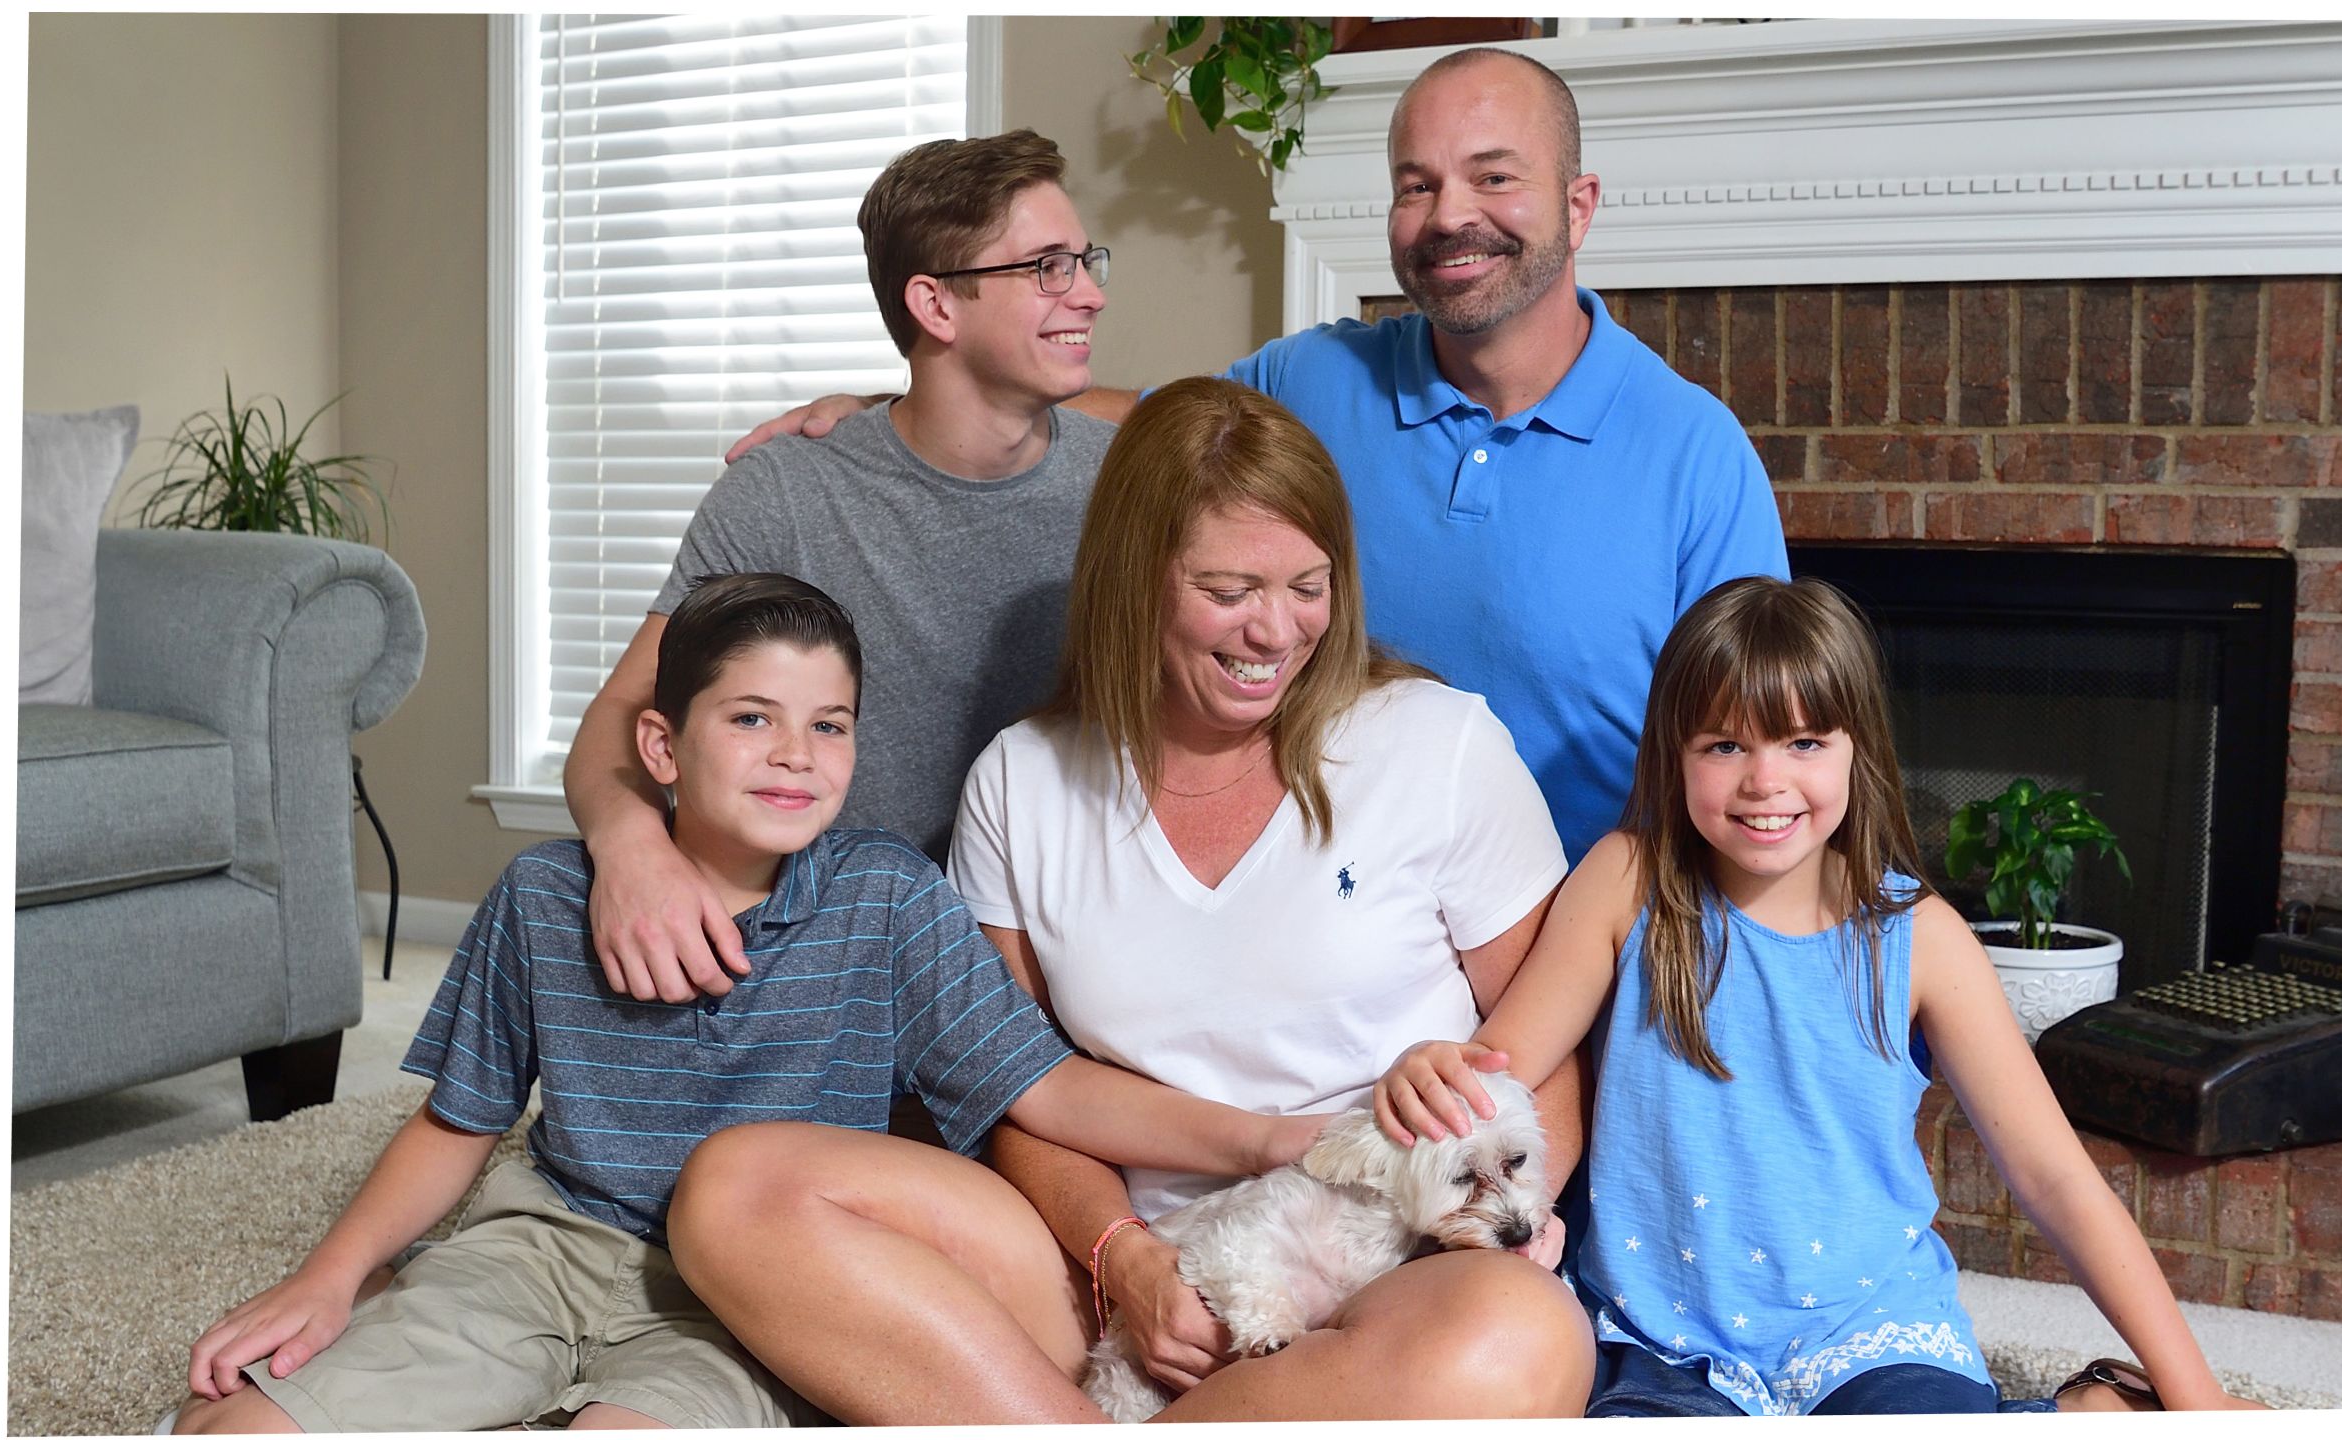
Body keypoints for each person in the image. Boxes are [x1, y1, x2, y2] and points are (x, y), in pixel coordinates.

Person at [172, 574, 1321, 1434]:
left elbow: (1051, 1086)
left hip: (743, 1299)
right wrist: (329, 1277)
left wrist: (1264, 1138)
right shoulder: (542, 896)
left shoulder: (886, 900)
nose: (796, 754)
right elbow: (456, 1121)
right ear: (661, 747)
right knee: (239, 1428)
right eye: (753, 719)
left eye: (829, 725)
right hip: (545, 1246)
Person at [668, 379, 1596, 1423]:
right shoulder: (1021, 781)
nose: (1276, 630)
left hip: (1391, 1258)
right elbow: (1010, 1091)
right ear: (1135, 581)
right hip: (1103, 1262)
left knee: (1520, 1344)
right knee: (739, 1189)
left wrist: (1513, 1211)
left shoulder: (1439, 744)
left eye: (1307, 585)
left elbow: (1542, 1049)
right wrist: (1129, 1263)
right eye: (1229, 588)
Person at [724, 46, 1791, 870]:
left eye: (1493, 176)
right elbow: (1135, 422)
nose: (1448, 215)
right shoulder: (1314, 383)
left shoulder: (1696, 456)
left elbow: (1753, 767)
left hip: (1578, 950)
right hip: (1323, 932)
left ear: (1578, 202)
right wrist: (902, 397)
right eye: (1414, 185)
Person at [1370, 576, 2261, 1416]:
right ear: (1674, 755)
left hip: (1872, 1333)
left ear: (1856, 750)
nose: (1766, 781)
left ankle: (2090, 1407)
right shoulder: (1628, 882)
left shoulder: (1925, 941)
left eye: (1804, 742)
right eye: (1725, 745)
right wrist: (1431, 1069)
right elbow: (1498, 1076)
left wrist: (2201, 1403)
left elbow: (2055, 1178)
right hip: (1662, 1339)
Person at [564, 129, 1116, 1009]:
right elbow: (626, 719)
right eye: (1048, 266)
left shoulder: (1128, 483)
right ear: (936, 306)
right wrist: (631, 850)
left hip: (1054, 952)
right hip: (827, 962)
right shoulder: (785, 490)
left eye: (1086, 261)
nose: (1088, 293)